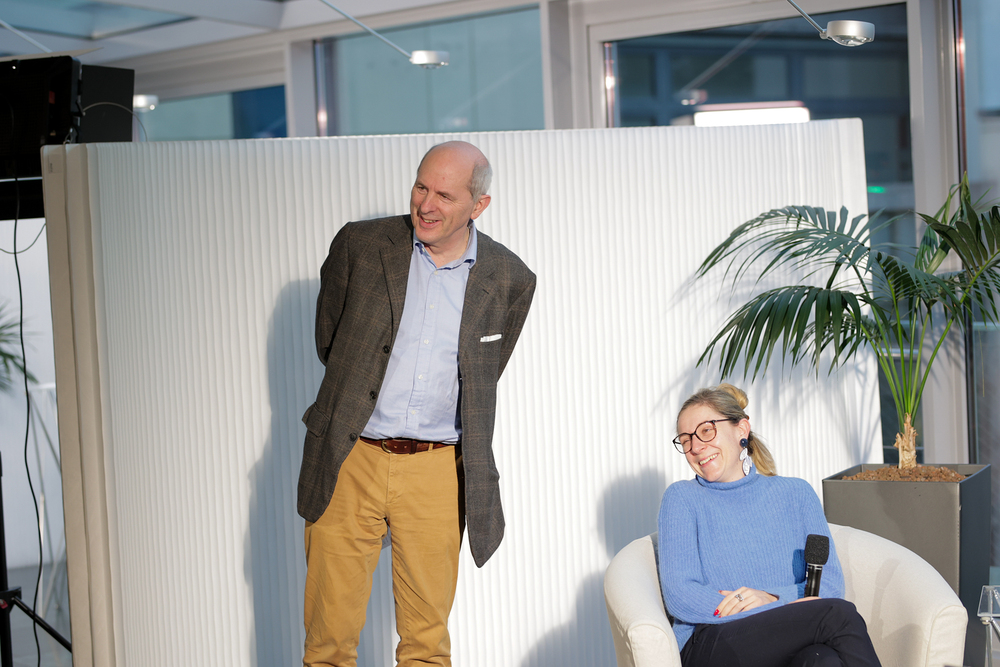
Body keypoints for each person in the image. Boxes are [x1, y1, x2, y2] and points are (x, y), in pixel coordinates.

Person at [297, 141, 536, 667]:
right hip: (350, 457)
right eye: (421, 187)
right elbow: (331, 343)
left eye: (445, 196)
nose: (426, 205)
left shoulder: (510, 278)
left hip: (438, 470)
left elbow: (482, 374)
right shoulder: (361, 245)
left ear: (478, 205)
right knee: (328, 642)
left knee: (426, 646)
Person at [658, 384, 882, 667]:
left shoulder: (797, 494)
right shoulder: (682, 498)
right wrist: (759, 607)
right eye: (686, 440)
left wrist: (772, 598)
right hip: (711, 642)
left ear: (742, 429)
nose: (696, 447)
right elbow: (680, 595)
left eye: (706, 430)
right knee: (838, 616)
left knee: (823, 660)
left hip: (785, 639)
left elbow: (829, 585)